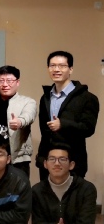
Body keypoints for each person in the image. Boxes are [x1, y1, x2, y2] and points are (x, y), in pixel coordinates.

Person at [36, 51, 99, 180]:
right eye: (52, 66)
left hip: (73, 161)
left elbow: (88, 128)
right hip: (48, 162)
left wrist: (63, 124)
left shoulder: (87, 98)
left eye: (62, 66)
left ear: (71, 69)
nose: (56, 69)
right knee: (45, 193)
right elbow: (44, 132)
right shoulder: (45, 98)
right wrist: (41, 158)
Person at [0, 65, 37, 177]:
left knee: (18, 187)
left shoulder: (28, 102)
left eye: (9, 81)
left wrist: (19, 122)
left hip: (17, 158)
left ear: (17, 82)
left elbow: (28, 116)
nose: (5, 84)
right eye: (1, 81)